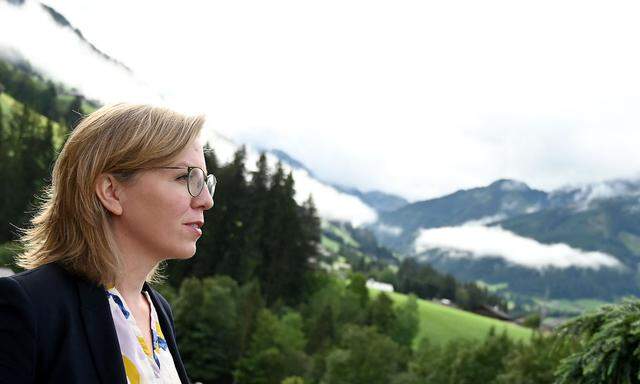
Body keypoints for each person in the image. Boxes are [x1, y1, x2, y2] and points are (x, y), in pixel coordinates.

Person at [0, 103, 215, 383]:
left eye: (205, 183)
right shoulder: (29, 306)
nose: (206, 201)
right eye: (185, 178)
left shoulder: (158, 312)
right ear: (111, 192)